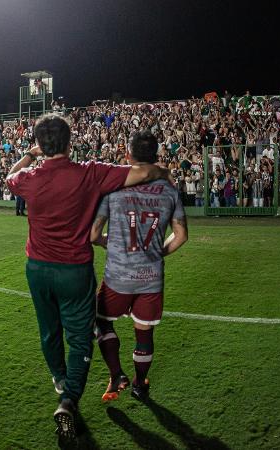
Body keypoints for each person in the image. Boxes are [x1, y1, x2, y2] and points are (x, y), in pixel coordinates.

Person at [6, 115, 171, 445]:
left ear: (42, 143)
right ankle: (68, 401)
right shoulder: (90, 173)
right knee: (80, 339)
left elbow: (9, 176)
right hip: (75, 270)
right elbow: (144, 172)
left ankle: (59, 381)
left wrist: (30, 154)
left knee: (49, 329)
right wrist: (164, 172)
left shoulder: (28, 176)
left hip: (37, 268)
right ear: (69, 143)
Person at [90, 130, 188, 402]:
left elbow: (94, 234)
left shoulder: (114, 188)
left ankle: (116, 374)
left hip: (118, 276)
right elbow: (181, 236)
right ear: (156, 157)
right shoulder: (169, 189)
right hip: (151, 277)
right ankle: (139, 384)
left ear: (127, 156)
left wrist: (109, 243)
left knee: (101, 320)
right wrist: (156, 252)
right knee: (144, 333)